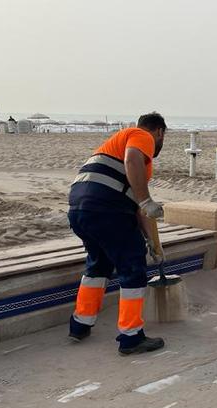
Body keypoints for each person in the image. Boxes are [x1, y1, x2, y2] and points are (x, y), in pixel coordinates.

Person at [66, 111, 167, 355]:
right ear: (159, 132)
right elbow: (132, 161)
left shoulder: (113, 145)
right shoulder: (141, 135)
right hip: (107, 210)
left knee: (98, 265)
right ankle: (131, 337)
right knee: (132, 268)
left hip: (81, 209)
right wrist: (145, 200)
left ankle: (80, 324)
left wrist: (153, 243)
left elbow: (137, 209)